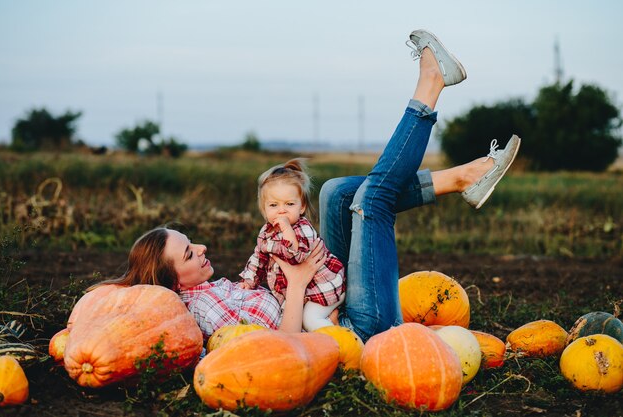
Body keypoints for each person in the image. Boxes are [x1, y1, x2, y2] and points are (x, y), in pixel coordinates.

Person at [96, 29, 520, 342]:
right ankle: (431, 87)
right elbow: (279, 347)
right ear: (173, 282)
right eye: (189, 253)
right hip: (353, 332)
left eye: (192, 243)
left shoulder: (207, 288)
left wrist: (288, 270)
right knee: (373, 199)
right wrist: (297, 281)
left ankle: (463, 178)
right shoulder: (199, 307)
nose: (202, 248)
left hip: (327, 295)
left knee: (336, 191)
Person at [238, 158, 346, 331]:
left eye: (289, 204)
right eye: (274, 205)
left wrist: (287, 229)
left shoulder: (302, 229)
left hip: (325, 287)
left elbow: (297, 256)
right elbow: (258, 257)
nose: (282, 210)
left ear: (301, 207)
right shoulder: (266, 232)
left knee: (309, 320)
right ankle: (332, 316)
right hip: (305, 291)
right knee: (292, 316)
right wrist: (249, 280)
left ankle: (342, 342)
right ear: (264, 210)